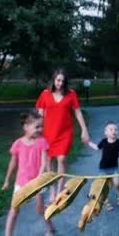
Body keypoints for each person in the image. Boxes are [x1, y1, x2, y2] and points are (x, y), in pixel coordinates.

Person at [36, 69, 90, 202]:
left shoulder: (71, 94)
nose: (60, 83)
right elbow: (40, 115)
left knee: (61, 159)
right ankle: (52, 190)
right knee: (49, 161)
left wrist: (84, 130)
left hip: (65, 132)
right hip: (48, 132)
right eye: (58, 80)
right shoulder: (45, 94)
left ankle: (60, 190)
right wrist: (37, 132)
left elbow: (77, 113)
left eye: (62, 81)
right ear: (53, 80)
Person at [2, 109, 54, 236]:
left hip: (37, 183)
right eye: (37, 126)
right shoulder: (18, 144)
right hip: (21, 183)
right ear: (26, 127)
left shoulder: (42, 142)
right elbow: (13, 163)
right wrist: (7, 180)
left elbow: (44, 163)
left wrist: (39, 181)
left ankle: (50, 228)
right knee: (13, 211)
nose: (40, 129)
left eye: (42, 126)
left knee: (40, 210)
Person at [88, 121, 119, 211]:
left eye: (116, 129)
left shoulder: (118, 142)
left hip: (114, 168)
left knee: (117, 183)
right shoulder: (103, 141)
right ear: (106, 132)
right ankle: (106, 202)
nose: (114, 131)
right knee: (103, 186)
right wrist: (89, 143)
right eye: (111, 129)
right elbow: (97, 147)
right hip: (103, 168)